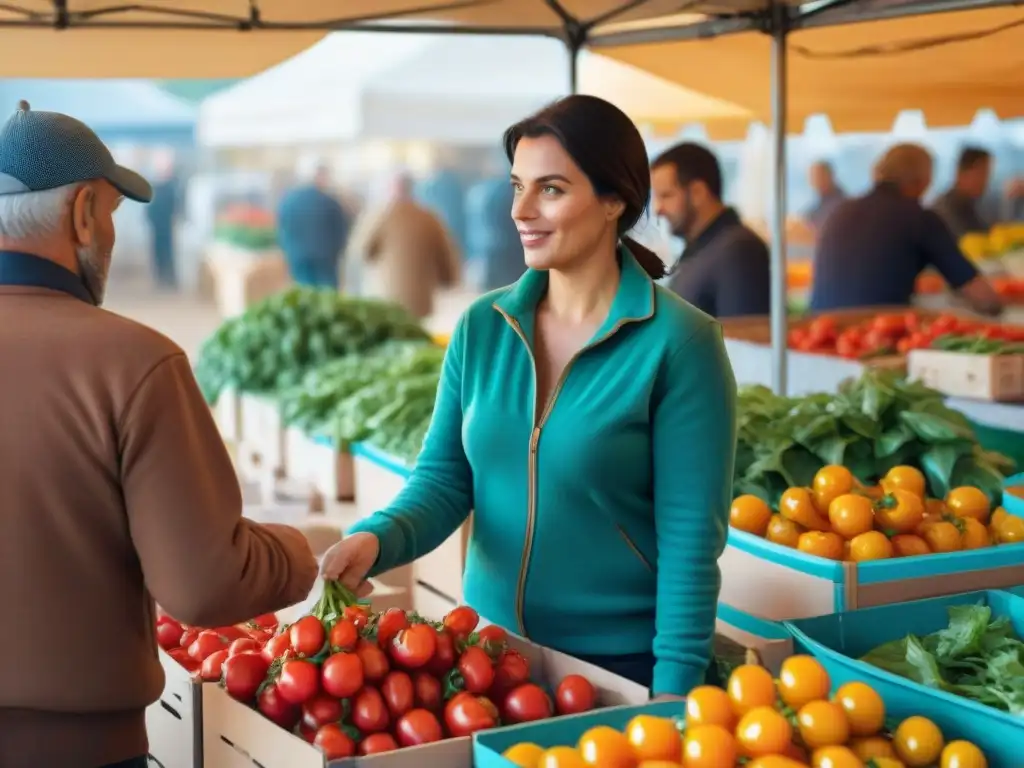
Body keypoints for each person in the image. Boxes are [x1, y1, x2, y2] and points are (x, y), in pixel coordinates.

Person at [322, 95, 737, 698]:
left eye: (550, 189)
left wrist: (673, 695)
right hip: (487, 659)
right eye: (517, 185)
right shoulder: (482, 327)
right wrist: (375, 539)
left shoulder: (681, 344)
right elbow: (443, 481)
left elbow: (690, 542)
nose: (520, 210)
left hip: (620, 669)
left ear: (614, 200)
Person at [0, 102, 319, 768]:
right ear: (84, 211)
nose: (110, 235)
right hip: (81, 752)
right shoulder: (134, 362)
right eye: (113, 215)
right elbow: (203, 587)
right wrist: (298, 552)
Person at [810, 143, 1002, 315]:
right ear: (923, 181)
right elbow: (983, 295)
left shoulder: (840, 211)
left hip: (815, 334)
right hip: (876, 336)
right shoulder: (920, 218)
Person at [650, 142, 771, 318]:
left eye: (666, 196)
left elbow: (744, 338)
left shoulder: (739, 250)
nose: (658, 209)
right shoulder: (704, 247)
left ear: (698, 192)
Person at [345, 172, 460, 319]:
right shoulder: (429, 217)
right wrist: (449, 280)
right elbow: (445, 256)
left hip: (384, 296)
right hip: (419, 299)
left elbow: (362, 252)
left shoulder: (378, 216)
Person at [276, 159, 350, 289]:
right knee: (327, 298)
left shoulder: (288, 201)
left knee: (304, 295)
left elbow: (282, 230)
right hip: (325, 259)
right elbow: (341, 232)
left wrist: (288, 251)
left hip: (297, 256)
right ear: (319, 175)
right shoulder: (330, 202)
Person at [930, 146, 993, 239]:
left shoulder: (974, 205)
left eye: (988, 174)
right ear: (960, 173)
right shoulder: (943, 211)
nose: (985, 181)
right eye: (981, 173)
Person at [143, 150, 181, 290]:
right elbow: (149, 208)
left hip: (167, 227)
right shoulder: (155, 187)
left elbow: (176, 207)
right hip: (156, 227)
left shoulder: (173, 186)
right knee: (157, 252)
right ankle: (160, 278)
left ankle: (169, 279)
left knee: (168, 252)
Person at [803, 160, 846, 234]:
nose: (814, 180)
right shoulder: (819, 203)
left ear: (829, 176)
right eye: (811, 176)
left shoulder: (841, 203)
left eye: (818, 175)